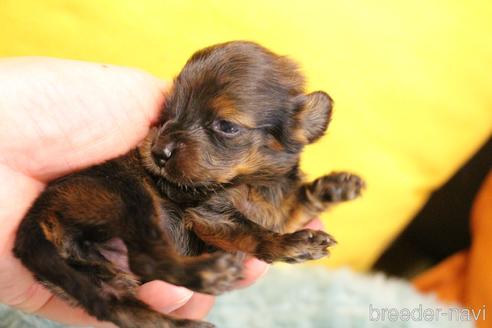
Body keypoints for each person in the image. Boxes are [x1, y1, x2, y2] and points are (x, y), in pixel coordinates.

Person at [0, 57, 323, 327]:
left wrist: (276, 242)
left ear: (303, 126)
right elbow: (205, 220)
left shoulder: (261, 189)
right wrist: (271, 244)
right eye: (173, 113)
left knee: (113, 299)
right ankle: (165, 267)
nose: (164, 144)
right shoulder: (197, 182)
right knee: (130, 197)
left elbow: (220, 226)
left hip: (76, 261)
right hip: (81, 211)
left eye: (225, 127)